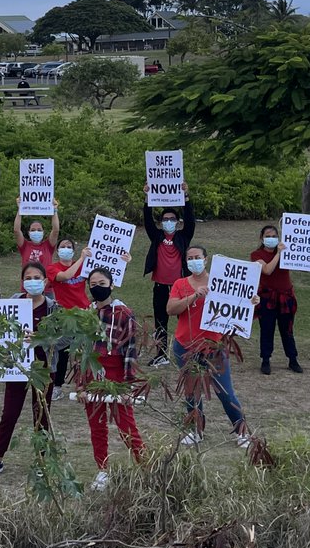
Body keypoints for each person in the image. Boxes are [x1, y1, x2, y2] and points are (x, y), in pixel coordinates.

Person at [166, 245, 256, 447]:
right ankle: (196, 430)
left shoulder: (221, 283)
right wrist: (194, 296)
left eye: (197, 257)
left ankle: (242, 431)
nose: (194, 261)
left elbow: (239, 304)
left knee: (225, 391)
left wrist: (252, 301)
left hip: (213, 347)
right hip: (185, 346)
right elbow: (171, 309)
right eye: (190, 258)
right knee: (191, 390)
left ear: (206, 260)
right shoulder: (180, 284)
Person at [0, 262, 56, 479]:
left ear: (44, 281)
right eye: (28, 277)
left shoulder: (53, 308)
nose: (32, 281)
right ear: (22, 281)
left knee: (41, 414)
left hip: (43, 370)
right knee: (9, 413)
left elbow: (63, 340)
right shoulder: (11, 304)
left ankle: (41, 460)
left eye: (37, 277)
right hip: (16, 368)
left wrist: (43, 338)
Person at [79, 268, 145, 491]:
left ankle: (146, 467)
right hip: (93, 375)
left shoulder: (124, 313)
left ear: (111, 284)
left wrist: (127, 385)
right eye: (93, 283)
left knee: (126, 426)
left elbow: (130, 352)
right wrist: (81, 384)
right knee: (96, 427)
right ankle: (102, 470)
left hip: (116, 375)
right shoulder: (86, 313)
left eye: (102, 282)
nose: (97, 287)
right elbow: (82, 351)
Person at [142, 182, 194, 368]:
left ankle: (187, 352)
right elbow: (147, 220)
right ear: (161, 221)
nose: (168, 222)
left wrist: (186, 197)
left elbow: (190, 219)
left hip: (180, 287)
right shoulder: (156, 236)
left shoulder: (183, 236)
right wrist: (148, 198)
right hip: (160, 287)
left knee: (184, 321)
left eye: (172, 219)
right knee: (160, 321)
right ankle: (161, 354)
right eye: (165, 219)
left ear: (177, 222)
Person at [250, 226, 302, 375]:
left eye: (274, 235)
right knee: (267, 329)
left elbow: (304, 262)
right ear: (262, 238)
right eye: (268, 235)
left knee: (287, 330)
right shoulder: (256, 255)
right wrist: (279, 253)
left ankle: (293, 359)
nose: (271, 238)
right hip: (267, 297)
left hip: (286, 296)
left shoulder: (288, 252)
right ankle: (265, 360)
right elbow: (267, 270)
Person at [47, 240, 91, 401]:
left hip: (84, 313)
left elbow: (105, 274)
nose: (66, 249)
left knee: (85, 352)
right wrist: (81, 259)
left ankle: (83, 386)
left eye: (69, 247)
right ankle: (57, 386)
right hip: (64, 315)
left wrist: (124, 262)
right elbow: (66, 276)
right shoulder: (53, 268)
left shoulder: (84, 265)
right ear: (57, 250)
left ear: (74, 249)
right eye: (62, 247)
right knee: (62, 351)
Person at [14, 197, 59, 267]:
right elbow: (16, 231)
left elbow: (55, 231)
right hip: (28, 277)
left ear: (43, 232)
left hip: (45, 278)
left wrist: (55, 210)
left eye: (39, 230)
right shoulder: (24, 245)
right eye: (33, 230)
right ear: (29, 233)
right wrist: (20, 209)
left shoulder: (48, 246)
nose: (36, 231)